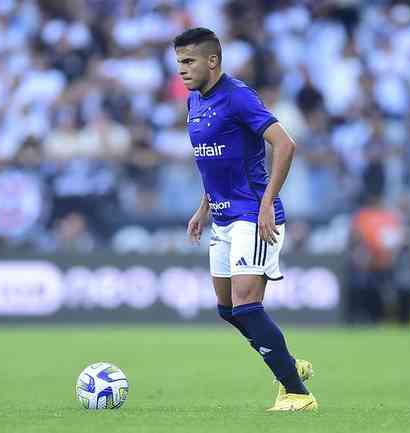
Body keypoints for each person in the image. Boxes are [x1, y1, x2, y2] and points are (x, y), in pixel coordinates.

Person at [174, 28, 317, 411]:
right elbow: (215, 162)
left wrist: (268, 202)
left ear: (212, 60)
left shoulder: (238, 97)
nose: (182, 71)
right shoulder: (194, 103)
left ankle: (297, 394)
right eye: (179, 63)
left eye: (189, 62)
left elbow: (285, 144)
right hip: (221, 217)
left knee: (246, 304)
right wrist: (203, 208)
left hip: (253, 216)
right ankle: (288, 365)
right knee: (227, 309)